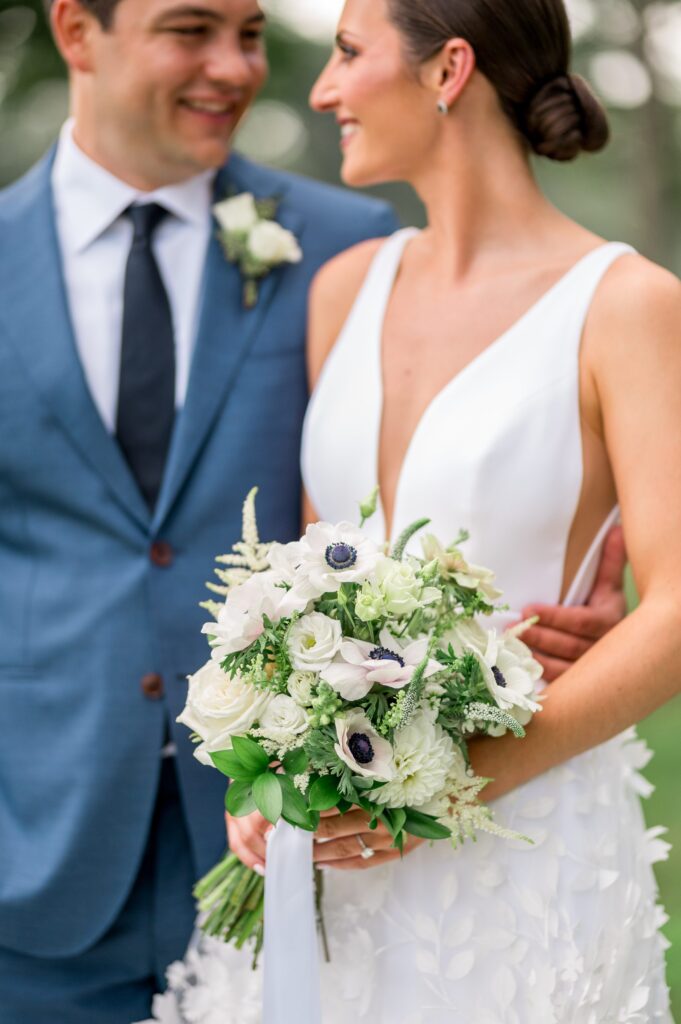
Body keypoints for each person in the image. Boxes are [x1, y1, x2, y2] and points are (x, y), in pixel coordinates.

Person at [178, 0, 680, 1020]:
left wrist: (450, 785)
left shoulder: (626, 304)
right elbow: (314, 573)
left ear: (448, 70)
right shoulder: (343, 288)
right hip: (328, 843)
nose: (321, 90)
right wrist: (270, 758)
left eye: (349, 55)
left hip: (523, 839)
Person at [0, 1, 401, 1021]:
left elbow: (413, 493)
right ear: (76, 33)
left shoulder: (352, 244)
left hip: (291, 836)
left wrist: (538, 611)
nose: (234, 67)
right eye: (192, 30)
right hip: (33, 844)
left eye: (252, 34)